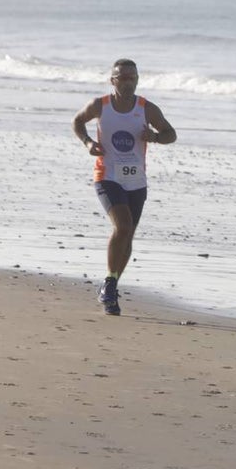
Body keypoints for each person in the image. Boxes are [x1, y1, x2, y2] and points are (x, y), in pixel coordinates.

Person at [72, 59, 177, 315]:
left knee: (127, 234)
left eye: (133, 77)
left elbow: (170, 134)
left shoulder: (146, 108)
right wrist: (87, 143)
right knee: (123, 226)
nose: (129, 81)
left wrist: (154, 137)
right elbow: (77, 121)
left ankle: (111, 284)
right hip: (107, 175)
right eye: (123, 77)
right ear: (113, 80)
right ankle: (109, 284)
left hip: (136, 181)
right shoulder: (101, 105)